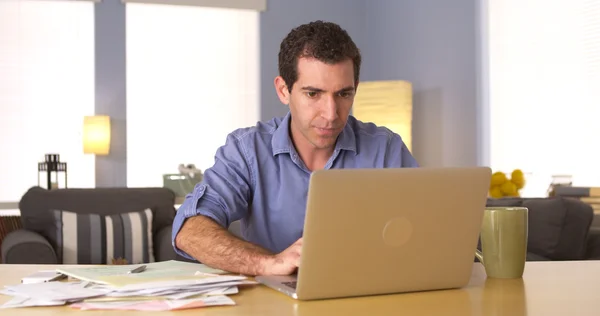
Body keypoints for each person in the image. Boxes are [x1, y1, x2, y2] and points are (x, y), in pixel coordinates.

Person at [172, 20, 418, 276]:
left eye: (343, 94)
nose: (331, 114)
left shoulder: (386, 149)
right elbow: (189, 230)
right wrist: (267, 264)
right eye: (313, 94)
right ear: (283, 90)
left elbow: (427, 229)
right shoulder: (247, 151)